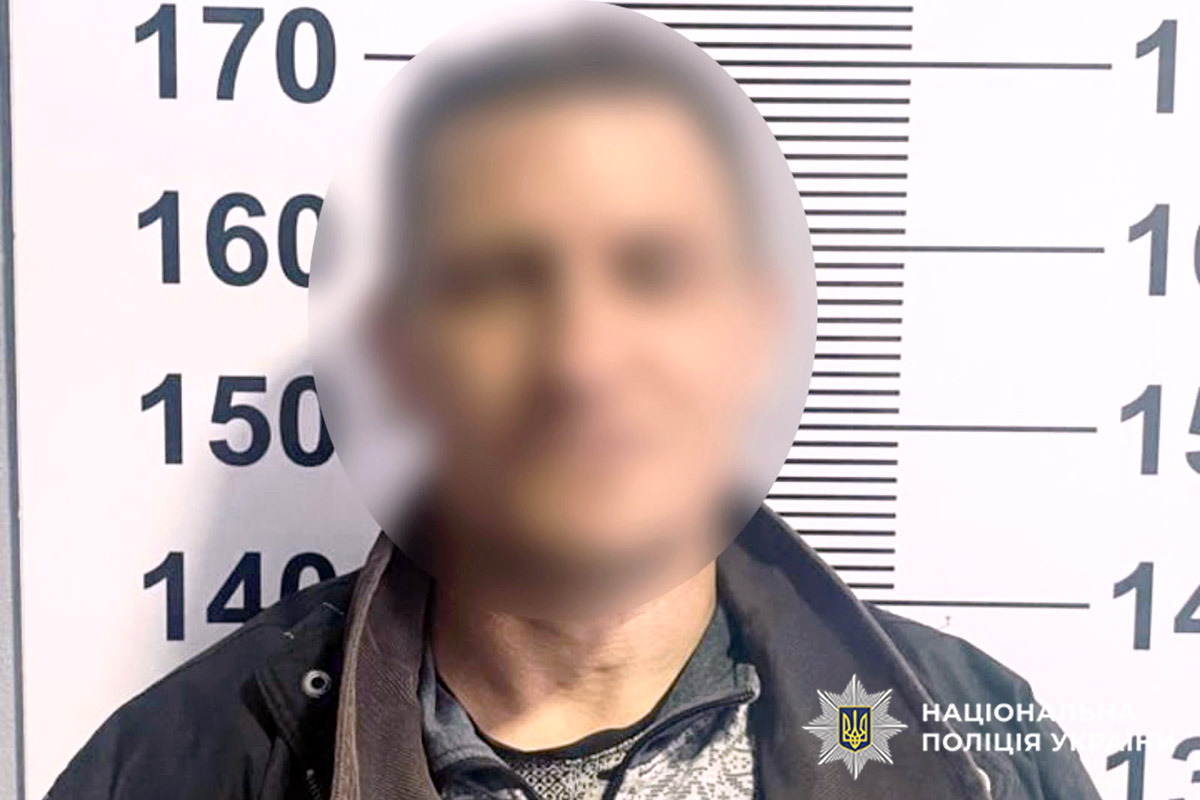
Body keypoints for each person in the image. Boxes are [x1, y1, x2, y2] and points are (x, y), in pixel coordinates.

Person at [48, 6, 1101, 800]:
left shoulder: (988, 750)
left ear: (755, 335)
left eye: (654, 271)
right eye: (500, 280)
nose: (582, 359)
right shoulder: (162, 770)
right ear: (399, 354)